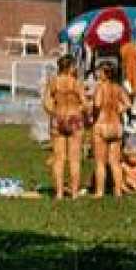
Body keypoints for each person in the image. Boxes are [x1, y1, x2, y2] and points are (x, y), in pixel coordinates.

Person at [41, 55, 86, 199]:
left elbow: (46, 102)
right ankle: (74, 193)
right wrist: (79, 111)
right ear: (70, 67)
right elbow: (84, 103)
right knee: (74, 159)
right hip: (74, 118)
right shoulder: (76, 82)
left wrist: (54, 113)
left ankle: (59, 193)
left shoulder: (53, 81)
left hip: (58, 117)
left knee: (58, 159)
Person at [89, 60, 130, 197]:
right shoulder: (118, 88)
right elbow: (128, 103)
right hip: (116, 126)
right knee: (115, 162)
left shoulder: (100, 87)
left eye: (99, 71)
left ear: (105, 74)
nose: (98, 74)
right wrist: (119, 109)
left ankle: (99, 191)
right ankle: (117, 191)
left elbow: (97, 104)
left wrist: (92, 111)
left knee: (100, 162)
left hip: (102, 125)